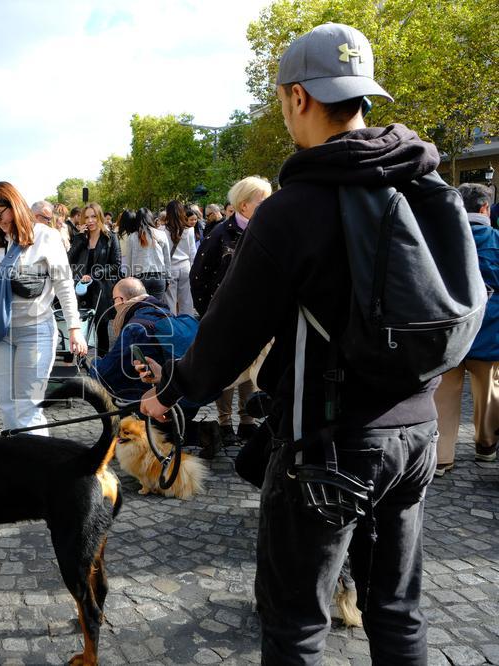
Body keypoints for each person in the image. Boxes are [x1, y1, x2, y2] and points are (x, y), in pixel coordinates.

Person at [138, 23, 455, 663]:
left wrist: (173, 395)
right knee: (396, 611)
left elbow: (231, 330)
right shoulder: (423, 185)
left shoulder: (295, 206)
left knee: (296, 625)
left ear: (297, 97)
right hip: (416, 430)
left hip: (329, 441)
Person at [0, 182, 86, 433]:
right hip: (2, 333)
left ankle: (36, 467)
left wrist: (74, 327)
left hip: (36, 330)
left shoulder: (46, 237)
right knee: (6, 403)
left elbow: (64, 284)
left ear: (14, 206)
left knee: (28, 406)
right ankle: (16, 457)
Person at [190, 176, 273, 445]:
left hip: (257, 316)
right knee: (224, 370)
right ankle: (225, 423)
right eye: (262, 200)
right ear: (243, 204)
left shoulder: (269, 229)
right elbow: (198, 277)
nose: (269, 204)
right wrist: (209, 315)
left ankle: (247, 421)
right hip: (224, 316)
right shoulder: (219, 234)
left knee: (250, 368)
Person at [433, 182, 499, 476]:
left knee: (444, 394)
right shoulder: (496, 239)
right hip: (490, 330)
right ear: (485, 208)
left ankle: (442, 456)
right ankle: (486, 446)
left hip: (451, 331)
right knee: (489, 394)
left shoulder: (443, 239)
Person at [68, 202, 121, 356]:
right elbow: (69, 259)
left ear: (99, 217)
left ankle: (102, 365)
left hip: (101, 290)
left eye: (93, 217)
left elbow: (116, 265)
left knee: (101, 328)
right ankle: (79, 364)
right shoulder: (80, 238)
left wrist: (93, 275)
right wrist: (79, 240)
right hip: (81, 289)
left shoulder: (110, 237)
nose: (90, 221)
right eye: (86, 217)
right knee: (80, 329)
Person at [118, 208, 170, 302]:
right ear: (151, 218)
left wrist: (127, 280)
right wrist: (168, 277)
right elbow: (167, 259)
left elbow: (129, 262)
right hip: (158, 276)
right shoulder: (161, 234)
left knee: (141, 308)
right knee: (156, 309)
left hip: (140, 278)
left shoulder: (132, 237)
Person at [162, 200, 197, 315]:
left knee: (170, 302)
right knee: (187, 302)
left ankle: (172, 327)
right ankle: (188, 327)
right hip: (186, 267)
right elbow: (193, 252)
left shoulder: (162, 230)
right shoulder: (189, 230)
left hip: (170, 268)